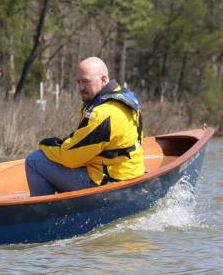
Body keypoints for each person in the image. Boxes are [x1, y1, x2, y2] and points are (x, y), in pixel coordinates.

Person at [25, 57, 144, 196]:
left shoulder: (103, 114)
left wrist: (45, 145)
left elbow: (69, 158)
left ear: (104, 79)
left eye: (86, 81)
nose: (81, 88)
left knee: (34, 160)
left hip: (110, 182)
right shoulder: (124, 98)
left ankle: (46, 213)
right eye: (78, 82)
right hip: (131, 171)